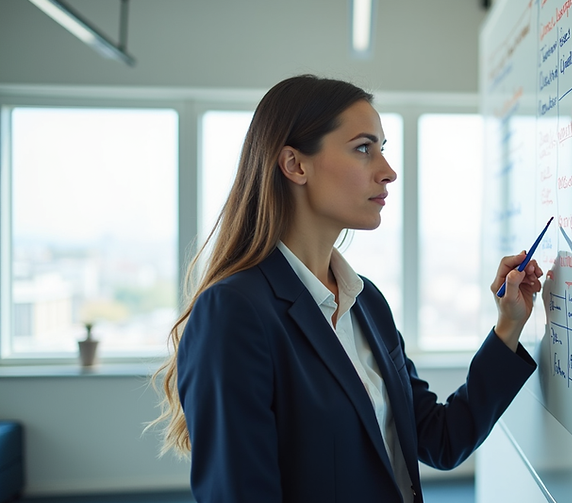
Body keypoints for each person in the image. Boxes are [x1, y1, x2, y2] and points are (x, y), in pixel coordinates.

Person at [151, 75, 544, 503]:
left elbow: (440, 439)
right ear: (295, 165)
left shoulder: (366, 301)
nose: (388, 171)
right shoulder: (233, 311)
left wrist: (508, 326)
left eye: (382, 149)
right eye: (363, 148)